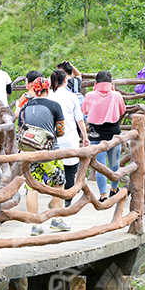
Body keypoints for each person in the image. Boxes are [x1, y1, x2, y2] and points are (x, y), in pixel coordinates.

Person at [18, 77, 70, 236]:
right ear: (47, 90)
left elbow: (21, 127)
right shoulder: (54, 105)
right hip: (50, 152)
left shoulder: (25, 106)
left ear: (34, 89)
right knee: (59, 183)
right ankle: (56, 219)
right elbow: (60, 131)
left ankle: (35, 224)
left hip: (30, 153)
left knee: (32, 187)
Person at [81, 71, 126, 202]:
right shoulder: (116, 95)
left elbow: (84, 111)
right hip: (114, 132)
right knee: (114, 163)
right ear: (111, 83)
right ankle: (114, 189)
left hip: (96, 133)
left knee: (100, 166)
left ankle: (102, 195)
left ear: (96, 83)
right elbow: (122, 110)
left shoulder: (90, 95)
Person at [49, 69, 90, 207]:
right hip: (70, 136)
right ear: (65, 80)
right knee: (70, 170)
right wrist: (84, 136)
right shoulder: (72, 96)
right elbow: (79, 119)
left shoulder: (49, 96)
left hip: (53, 138)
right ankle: (67, 199)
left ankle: (56, 196)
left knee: (54, 168)